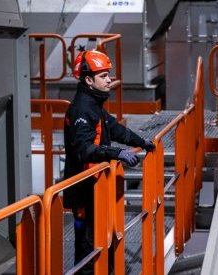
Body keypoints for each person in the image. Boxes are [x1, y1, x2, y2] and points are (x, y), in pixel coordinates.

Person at [63, 50, 155, 274]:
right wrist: (117, 153)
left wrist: (140, 141)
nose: (109, 80)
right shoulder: (81, 109)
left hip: (97, 186)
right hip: (85, 189)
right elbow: (85, 149)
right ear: (88, 80)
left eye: (108, 75)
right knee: (87, 246)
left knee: (103, 239)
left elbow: (113, 128)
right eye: (103, 76)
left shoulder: (93, 104)